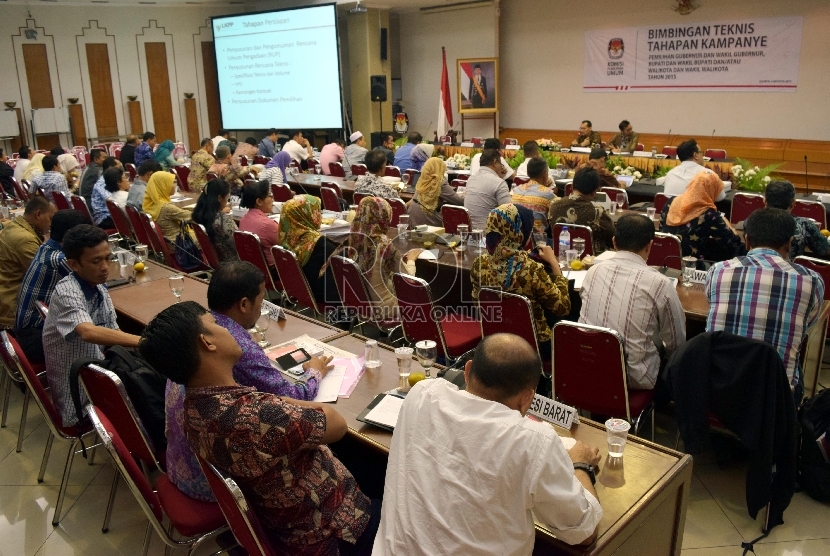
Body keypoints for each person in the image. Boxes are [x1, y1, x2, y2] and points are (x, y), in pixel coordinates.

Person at [138, 301, 379, 555]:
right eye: (216, 324)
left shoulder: (193, 409)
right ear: (207, 343)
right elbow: (338, 424)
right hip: (336, 530)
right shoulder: (258, 416)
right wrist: (283, 402)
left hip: (284, 522)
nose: (228, 329)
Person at [373, 333, 602, 555]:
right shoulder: (534, 440)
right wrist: (580, 465)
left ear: (468, 369)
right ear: (527, 399)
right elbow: (583, 533)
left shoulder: (422, 393)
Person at [162, 262, 336, 502]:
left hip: (181, 469)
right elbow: (296, 398)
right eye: (262, 299)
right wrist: (315, 372)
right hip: (217, 488)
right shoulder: (234, 347)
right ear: (244, 304)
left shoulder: (189, 343)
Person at [706, 208, 825, 402]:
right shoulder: (812, 281)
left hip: (718, 389)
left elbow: (713, 305)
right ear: (790, 244)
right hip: (775, 399)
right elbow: (806, 327)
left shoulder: (718, 271)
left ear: (747, 240)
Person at [43, 225, 141, 427]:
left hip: (96, 374)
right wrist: (143, 341)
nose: (105, 267)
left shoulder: (97, 286)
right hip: (80, 395)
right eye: (96, 261)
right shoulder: (67, 292)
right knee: (152, 402)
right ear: (73, 264)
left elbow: (114, 332)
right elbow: (87, 332)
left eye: (108, 258)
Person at [579, 214, 686, 390]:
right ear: (650, 246)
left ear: (614, 242)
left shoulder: (593, 271)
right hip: (633, 381)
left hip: (587, 366)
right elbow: (677, 343)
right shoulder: (660, 283)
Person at [470, 203, 570, 357]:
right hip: (534, 345)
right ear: (518, 232)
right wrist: (554, 264)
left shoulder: (479, 264)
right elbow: (562, 307)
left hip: (495, 339)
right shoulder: (531, 269)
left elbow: (477, 302)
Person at [14, 210, 88, 364]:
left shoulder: (46, 248)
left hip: (27, 332)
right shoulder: (59, 259)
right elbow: (94, 284)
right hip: (35, 338)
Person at [331, 196, 415, 320]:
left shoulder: (353, 237)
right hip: (384, 308)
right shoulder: (383, 243)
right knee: (426, 296)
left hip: (360, 304)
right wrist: (412, 260)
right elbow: (409, 280)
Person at [660, 171, 744, 263]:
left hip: (664, 261)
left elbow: (661, 231)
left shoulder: (671, 202)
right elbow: (732, 243)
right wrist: (729, 225)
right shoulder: (708, 214)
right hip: (692, 267)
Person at [0, 196, 56, 328]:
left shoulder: (15, 225)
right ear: (38, 214)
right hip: (11, 308)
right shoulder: (25, 239)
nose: (51, 224)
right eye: (50, 219)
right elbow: (43, 277)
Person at [278, 195, 341, 307]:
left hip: (300, 291)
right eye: (317, 211)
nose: (320, 215)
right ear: (306, 215)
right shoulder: (318, 243)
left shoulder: (286, 237)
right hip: (321, 295)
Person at [548, 167, 616, 255]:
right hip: (591, 261)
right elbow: (612, 237)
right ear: (595, 191)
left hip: (561, 257)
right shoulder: (597, 212)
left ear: (572, 186)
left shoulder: (554, 206)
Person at [764, 180, 830, 260]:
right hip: (791, 270)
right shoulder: (804, 225)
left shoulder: (750, 222)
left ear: (765, 201)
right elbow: (825, 249)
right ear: (793, 203)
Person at [406, 157, 464, 227]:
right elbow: (459, 201)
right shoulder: (440, 182)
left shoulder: (422, 179)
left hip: (412, 217)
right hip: (427, 219)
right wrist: (466, 194)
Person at [657, 139, 723, 199]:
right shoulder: (708, 174)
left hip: (672, 211)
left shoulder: (670, 174)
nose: (702, 156)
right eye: (701, 152)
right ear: (695, 155)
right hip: (696, 212)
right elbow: (720, 197)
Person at [464, 149, 512, 230]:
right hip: (489, 235)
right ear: (495, 162)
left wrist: (499, 177)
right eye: (501, 164)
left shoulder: (471, 179)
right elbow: (509, 215)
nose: (502, 167)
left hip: (470, 233)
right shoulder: (499, 183)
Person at [192, 179, 239, 263]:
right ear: (220, 198)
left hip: (217, 261)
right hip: (233, 264)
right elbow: (238, 244)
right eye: (227, 198)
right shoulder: (223, 221)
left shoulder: (198, 214)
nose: (227, 202)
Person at [239, 180, 280, 266]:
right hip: (274, 271)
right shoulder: (267, 225)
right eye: (270, 196)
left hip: (253, 268)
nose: (273, 199)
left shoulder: (243, 219)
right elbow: (288, 244)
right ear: (259, 202)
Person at [145, 171, 192, 243]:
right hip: (179, 243)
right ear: (163, 185)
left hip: (167, 240)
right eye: (172, 182)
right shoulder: (166, 207)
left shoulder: (149, 202)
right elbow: (192, 217)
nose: (175, 185)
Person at [511, 157, 556, 232]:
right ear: (545, 174)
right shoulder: (548, 194)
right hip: (538, 239)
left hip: (516, 236)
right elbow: (557, 214)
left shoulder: (516, 190)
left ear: (528, 173)